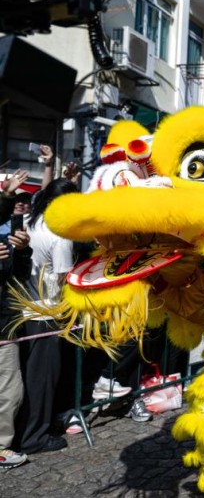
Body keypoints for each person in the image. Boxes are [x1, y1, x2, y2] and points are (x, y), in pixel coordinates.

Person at [14, 179, 78, 454]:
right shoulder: (60, 234)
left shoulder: (30, 220)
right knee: (43, 379)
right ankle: (35, 437)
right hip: (48, 312)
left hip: (25, 308)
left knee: (29, 376)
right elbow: (65, 278)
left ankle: (28, 429)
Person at [0, 170, 33, 468]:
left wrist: (21, 251)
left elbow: (18, 276)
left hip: (5, 323)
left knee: (10, 390)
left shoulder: (7, 239)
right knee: (9, 390)